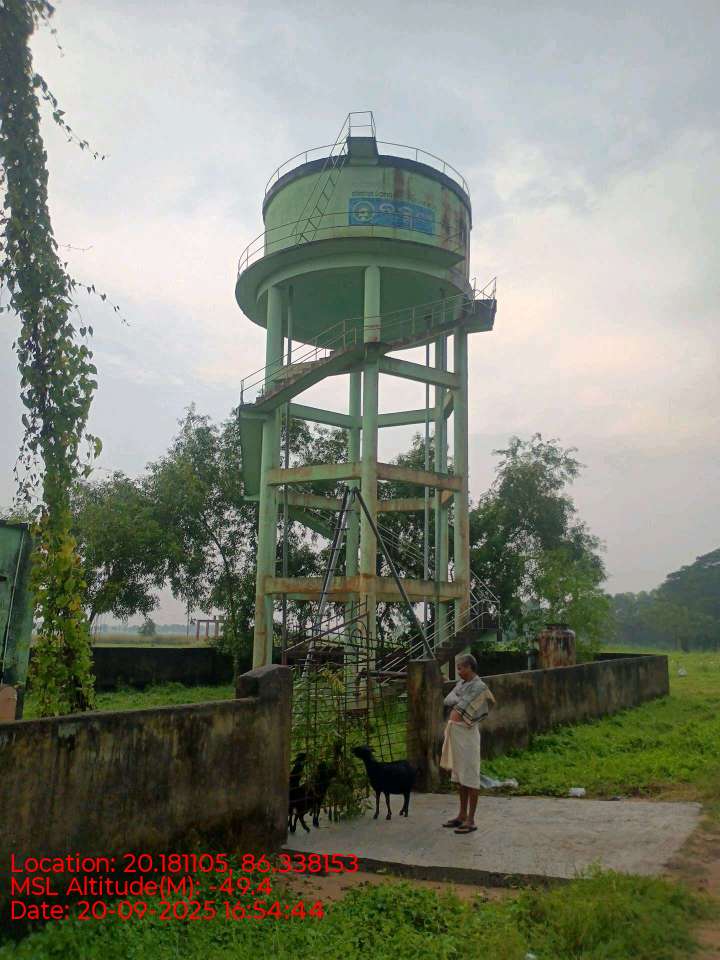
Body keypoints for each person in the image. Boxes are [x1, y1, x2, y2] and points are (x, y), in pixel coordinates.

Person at [439, 653, 495, 834]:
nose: (458, 671)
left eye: (461, 668)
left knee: (470, 777)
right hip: (456, 733)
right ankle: (461, 815)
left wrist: (460, 699)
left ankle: (471, 820)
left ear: (470, 667)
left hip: (468, 735)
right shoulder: (461, 685)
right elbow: (448, 700)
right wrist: (461, 698)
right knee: (460, 777)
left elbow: (475, 704)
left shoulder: (479, 687)